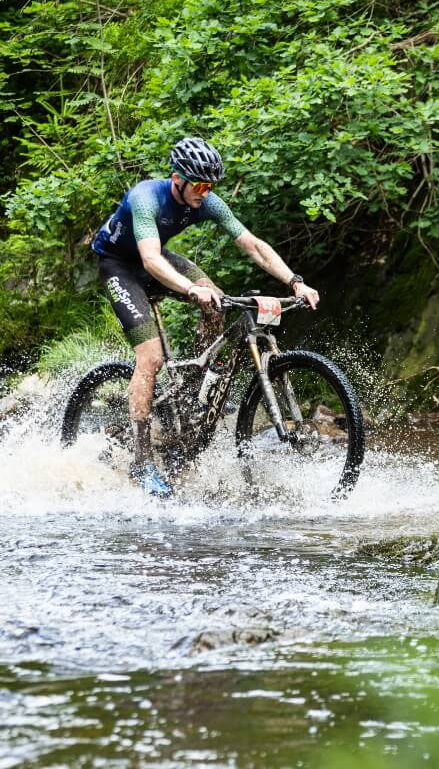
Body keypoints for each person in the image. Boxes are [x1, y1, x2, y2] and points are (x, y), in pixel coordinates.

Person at [92, 137, 319, 498]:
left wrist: (295, 282)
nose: (205, 191)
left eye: (209, 185)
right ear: (177, 178)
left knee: (217, 300)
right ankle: (141, 460)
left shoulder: (205, 201)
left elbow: (253, 245)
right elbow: (150, 260)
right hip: (121, 266)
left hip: (157, 259)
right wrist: (188, 289)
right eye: (199, 184)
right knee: (150, 357)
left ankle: (195, 393)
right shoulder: (146, 197)